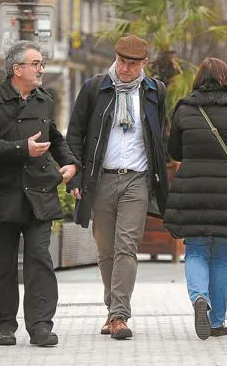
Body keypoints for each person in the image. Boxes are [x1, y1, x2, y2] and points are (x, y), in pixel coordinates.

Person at [66, 35, 168, 339]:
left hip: (137, 178)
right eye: (121, 61)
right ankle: (113, 309)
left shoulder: (154, 91)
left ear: (144, 64)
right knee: (106, 249)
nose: (125, 68)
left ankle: (119, 315)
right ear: (115, 57)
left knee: (127, 246)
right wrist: (76, 178)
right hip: (101, 179)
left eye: (132, 64)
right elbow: (75, 135)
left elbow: (157, 136)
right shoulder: (95, 88)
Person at [0, 41, 78, 347]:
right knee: (4, 263)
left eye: (41, 63)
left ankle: (40, 326)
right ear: (16, 69)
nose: (41, 69)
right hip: (4, 194)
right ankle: (4, 325)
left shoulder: (44, 99)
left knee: (39, 258)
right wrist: (24, 149)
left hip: (40, 193)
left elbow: (56, 137)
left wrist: (70, 162)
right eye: (35, 63)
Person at [163, 57, 227, 340]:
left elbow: (175, 152)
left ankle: (199, 299)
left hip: (191, 188)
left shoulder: (184, 109)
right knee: (221, 257)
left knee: (194, 250)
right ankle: (217, 321)